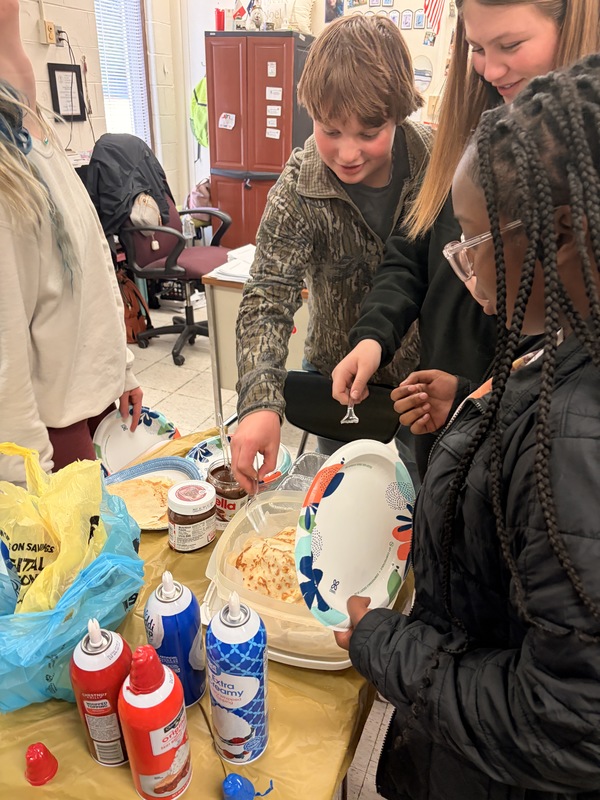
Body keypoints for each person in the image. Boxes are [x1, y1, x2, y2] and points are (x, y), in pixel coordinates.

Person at [335, 53, 600, 800]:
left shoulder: (571, 438)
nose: (463, 270)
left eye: (475, 246)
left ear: (562, 237)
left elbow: (565, 719)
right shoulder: (562, 348)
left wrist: (384, 643)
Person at [331, 0, 600, 476]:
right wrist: (374, 336)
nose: (489, 68)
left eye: (510, 44)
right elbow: (411, 249)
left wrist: (475, 391)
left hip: (513, 445)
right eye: (476, 47)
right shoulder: (467, 141)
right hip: (445, 426)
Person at [232, 15, 430, 492]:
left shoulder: (434, 168)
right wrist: (260, 401)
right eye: (330, 130)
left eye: (368, 132)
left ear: (399, 112)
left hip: (423, 392)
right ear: (311, 114)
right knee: (339, 509)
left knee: (419, 512)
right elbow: (267, 297)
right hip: (337, 389)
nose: (346, 153)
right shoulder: (299, 188)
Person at [0, 0, 143, 485]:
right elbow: (5, 346)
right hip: (46, 440)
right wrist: (32, 488)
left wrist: (119, 371)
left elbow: (89, 264)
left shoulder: (26, 118)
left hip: (88, 402)